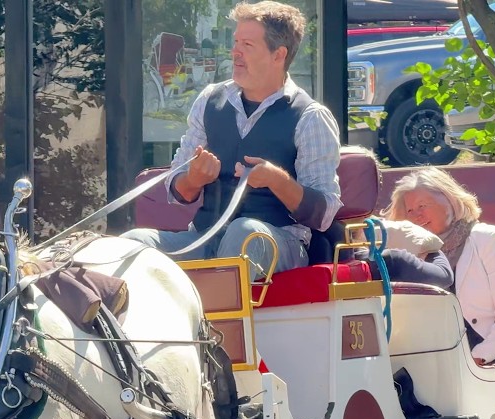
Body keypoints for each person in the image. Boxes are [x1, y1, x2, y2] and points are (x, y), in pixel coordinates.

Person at [125, 2, 342, 279]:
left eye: (247, 45)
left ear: (279, 55)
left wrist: (276, 180)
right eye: (236, 42)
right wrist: (194, 178)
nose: (235, 52)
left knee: (244, 234)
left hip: (278, 244)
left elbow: (323, 216)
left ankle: (217, 320)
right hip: (205, 237)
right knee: (132, 245)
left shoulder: (310, 117)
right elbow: (179, 191)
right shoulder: (209, 101)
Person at [385, 167, 495, 364]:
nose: (416, 216)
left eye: (423, 205)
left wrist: (483, 355)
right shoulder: (411, 251)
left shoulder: (488, 239)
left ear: (450, 200)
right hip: (430, 355)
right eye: (410, 211)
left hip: (483, 352)